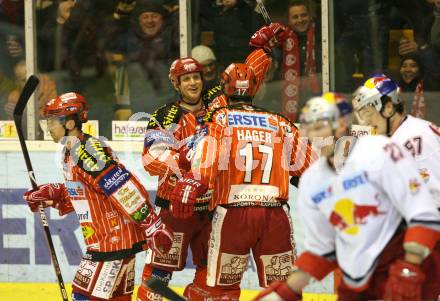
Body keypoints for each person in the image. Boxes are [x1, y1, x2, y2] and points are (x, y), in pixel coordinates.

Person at [139, 23, 287, 301]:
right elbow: (150, 159)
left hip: (212, 209)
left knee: (210, 274)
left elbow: (245, 76)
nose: (193, 83)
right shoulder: (165, 115)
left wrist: (262, 49)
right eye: (186, 79)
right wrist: (184, 161)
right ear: (176, 84)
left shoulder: (217, 102)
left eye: (196, 77)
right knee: (159, 271)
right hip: (174, 209)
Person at [253, 93, 440, 301]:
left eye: (319, 127)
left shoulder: (380, 151)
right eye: (308, 128)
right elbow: (322, 250)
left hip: (401, 266)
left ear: (342, 124)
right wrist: (286, 291)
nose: (313, 136)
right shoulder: (312, 181)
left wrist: (409, 270)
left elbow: (423, 214)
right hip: (356, 283)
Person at [171, 63, 316, 300]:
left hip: (233, 217)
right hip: (275, 217)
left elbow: (206, 159)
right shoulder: (279, 122)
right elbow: (310, 169)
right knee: (285, 291)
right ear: (255, 89)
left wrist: (192, 180)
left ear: (225, 86)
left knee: (221, 290)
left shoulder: (219, 118)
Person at [22, 92, 174, 301]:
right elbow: (89, 192)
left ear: (69, 123)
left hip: (111, 242)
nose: (48, 127)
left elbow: (122, 186)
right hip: (113, 242)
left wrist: (152, 225)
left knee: (83, 297)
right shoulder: (72, 151)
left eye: (52, 121)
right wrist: (54, 194)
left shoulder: (86, 151)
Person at [352, 74, 440, 208]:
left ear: (388, 108)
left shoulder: (417, 139)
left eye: (369, 113)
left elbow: (435, 201)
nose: (367, 121)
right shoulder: (395, 135)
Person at [276, 0, 321, 122]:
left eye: (303, 15)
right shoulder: (281, 40)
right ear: (289, 21)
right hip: (291, 99)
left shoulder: (322, 33)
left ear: (310, 15)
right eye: (295, 17)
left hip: (318, 94)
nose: (300, 20)